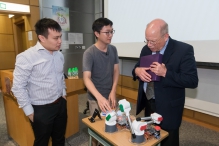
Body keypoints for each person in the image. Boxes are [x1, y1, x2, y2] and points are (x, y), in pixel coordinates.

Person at [132, 19, 198, 146]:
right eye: (147, 40)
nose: (149, 44)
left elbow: (192, 80)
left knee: (168, 141)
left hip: (169, 108)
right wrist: (137, 71)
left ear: (165, 36)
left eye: (153, 41)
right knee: (150, 138)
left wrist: (166, 73)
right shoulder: (145, 49)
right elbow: (137, 67)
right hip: (149, 103)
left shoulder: (183, 50)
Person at [12, 18, 67, 146]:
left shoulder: (59, 55)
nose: (60, 41)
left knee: (59, 139)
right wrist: (30, 112)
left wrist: (63, 94)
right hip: (40, 109)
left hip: (60, 104)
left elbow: (60, 77)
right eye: (56, 38)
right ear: (42, 38)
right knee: (41, 142)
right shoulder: (26, 57)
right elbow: (18, 87)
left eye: (60, 37)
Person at [83, 17, 119, 116]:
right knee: (97, 128)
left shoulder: (113, 49)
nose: (110, 35)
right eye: (107, 32)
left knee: (112, 125)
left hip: (110, 96)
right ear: (97, 33)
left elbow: (116, 71)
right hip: (96, 98)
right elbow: (86, 78)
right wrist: (99, 97)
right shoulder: (89, 53)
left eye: (112, 32)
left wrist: (113, 90)